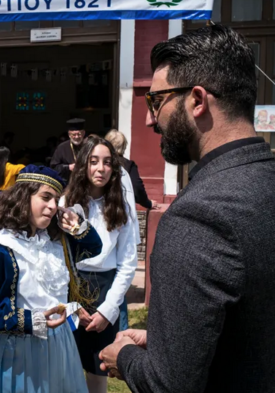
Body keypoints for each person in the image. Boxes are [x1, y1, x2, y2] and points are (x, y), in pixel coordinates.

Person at [99, 25, 275, 393]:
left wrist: (124, 358)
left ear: (197, 100)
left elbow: (169, 385)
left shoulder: (197, 216)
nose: (149, 119)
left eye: (156, 101)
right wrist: (173, 341)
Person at [0, 165, 103, 393]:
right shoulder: (0, 250)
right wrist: (32, 321)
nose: (53, 206)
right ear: (23, 197)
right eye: (46, 197)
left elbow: (94, 247)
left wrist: (76, 225)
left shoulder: (57, 243)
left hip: (61, 345)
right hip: (18, 351)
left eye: (56, 200)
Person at [62, 136, 137, 393]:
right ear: (83, 164)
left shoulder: (121, 207)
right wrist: (71, 306)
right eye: (94, 161)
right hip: (69, 288)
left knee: (97, 370)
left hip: (105, 289)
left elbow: (128, 263)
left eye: (107, 162)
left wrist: (108, 309)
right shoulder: (66, 204)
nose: (100, 169)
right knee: (64, 367)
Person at [105, 129, 157, 211]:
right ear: (124, 146)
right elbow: (137, 188)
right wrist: (148, 203)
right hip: (120, 210)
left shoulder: (100, 164)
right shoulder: (128, 165)